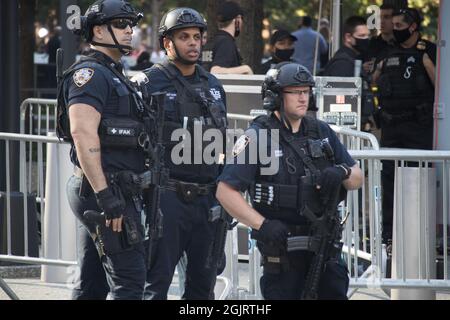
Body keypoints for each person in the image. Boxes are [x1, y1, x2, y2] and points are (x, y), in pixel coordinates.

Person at [216, 62, 364, 300]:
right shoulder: (257, 137)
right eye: (295, 92)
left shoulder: (321, 131)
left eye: (306, 91)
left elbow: (357, 178)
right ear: (275, 96)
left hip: (324, 245)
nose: (303, 97)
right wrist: (263, 225)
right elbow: (225, 192)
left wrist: (343, 171)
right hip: (283, 249)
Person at [59, 0, 148, 300]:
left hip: (107, 189)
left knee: (91, 284)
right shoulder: (91, 74)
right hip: (103, 190)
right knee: (131, 280)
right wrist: (106, 197)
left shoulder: (113, 72)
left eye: (130, 25)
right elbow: (82, 133)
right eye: (121, 25)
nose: (129, 30)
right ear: (98, 29)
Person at [141, 7, 228, 300]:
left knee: (203, 288)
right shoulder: (149, 82)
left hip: (207, 198)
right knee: (156, 285)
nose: (193, 43)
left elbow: (218, 142)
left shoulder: (213, 85)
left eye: (197, 36)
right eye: (184, 37)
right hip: (166, 197)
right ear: (168, 43)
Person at [373, 8, 436, 243]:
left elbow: (439, 83)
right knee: (389, 178)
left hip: (418, 127)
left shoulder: (428, 50)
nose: (394, 29)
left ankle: (421, 231)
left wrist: (427, 63)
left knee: (419, 178)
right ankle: (389, 232)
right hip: (391, 126)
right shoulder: (388, 52)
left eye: (399, 26)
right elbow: (375, 80)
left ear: (413, 27)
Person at [322, 16, 374, 131]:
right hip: (348, 132)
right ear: (348, 37)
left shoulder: (353, 60)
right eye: (361, 36)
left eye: (367, 35)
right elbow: (339, 105)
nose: (366, 39)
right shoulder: (343, 64)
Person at [202, 1, 253, 75]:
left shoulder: (211, 41)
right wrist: (245, 69)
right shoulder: (226, 42)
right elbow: (215, 71)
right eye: (241, 18)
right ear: (237, 19)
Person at [366, 3, 396, 73]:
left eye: (386, 17)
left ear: (395, 20)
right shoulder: (371, 44)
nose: (382, 21)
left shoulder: (401, 44)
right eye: (379, 17)